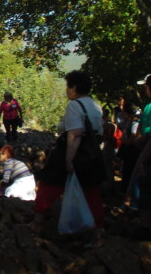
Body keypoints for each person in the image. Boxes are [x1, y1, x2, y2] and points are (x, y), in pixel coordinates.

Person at [32, 70, 105, 236]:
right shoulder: (95, 106)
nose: (67, 90)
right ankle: (98, 231)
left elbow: (75, 133)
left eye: (68, 87)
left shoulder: (75, 105)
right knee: (90, 190)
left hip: (73, 151)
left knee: (49, 182)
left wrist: (69, 160)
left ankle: (38, 221)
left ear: (74, 88)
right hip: (91, 155)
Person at [128, 71, 151, 222]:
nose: (145, 90)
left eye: (147, 87)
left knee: (141, 183)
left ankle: (143, 223)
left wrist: (141, 161)